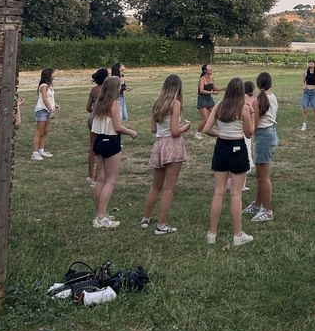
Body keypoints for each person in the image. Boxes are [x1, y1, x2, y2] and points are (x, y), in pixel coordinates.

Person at [203, 78, 255, 247]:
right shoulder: (245, 109)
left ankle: (212, 233)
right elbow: (249, 133)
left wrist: (220, 134)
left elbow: (206, 129)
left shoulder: (218, 106)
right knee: (236, 194)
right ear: (241, 92)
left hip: (221, 148)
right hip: (238, 148)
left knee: (218, 192)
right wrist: (252, 118)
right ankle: (237, 235)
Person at [140, 74, 190, 235]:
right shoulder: (175, 104)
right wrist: (186, 126)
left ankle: (145, 218)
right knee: (168, 188)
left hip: (159, 144)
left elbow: (153, 129)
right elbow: (175, 131)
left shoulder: (157, 102)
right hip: (173, 146)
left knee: (156, 186)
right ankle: (162, 225)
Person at [91, 76, 138, 228]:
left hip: (98, 141)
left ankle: (98, 213)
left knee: (100, 179)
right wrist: (131, 132)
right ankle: (102, 216)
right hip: (111, 142)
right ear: (115, 88)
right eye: (119, 86)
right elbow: (118, 127)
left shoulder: (99, 103)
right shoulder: (114, 104)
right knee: (111, 180)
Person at [243, 72, 278, 223]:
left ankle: (267, 210)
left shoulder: (257, 101)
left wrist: (245, 129)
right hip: (268, 135)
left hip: (264, 137)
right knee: (259, 175)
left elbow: (254, 125)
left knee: (264, 177)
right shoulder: (273, 97)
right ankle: (257, 205)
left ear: (258, 85)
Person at [85, 68, 109, 187]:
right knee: (101, 149)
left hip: (92, 118)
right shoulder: (105, 91)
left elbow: (88, 107)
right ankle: (98, 178)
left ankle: (90, 175)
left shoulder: (93, 90)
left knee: (92, 148)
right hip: (101, 120)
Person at [32, 67, 59, 161]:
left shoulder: (49, 86)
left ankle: (41, 150)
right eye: (53, 74)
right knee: (39, 132)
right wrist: (51, 109)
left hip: (48, 111)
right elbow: (44, 99)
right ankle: (35, 153)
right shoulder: (43, 85)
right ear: (48, 75)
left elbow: (50, 98)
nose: (54, 75)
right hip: (42, 111)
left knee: (45, 131)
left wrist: (55, 105)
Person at [195, 64, 223, 139]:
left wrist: (224, 89)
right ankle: (197, 133)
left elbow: (214, 88)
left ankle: (221, 130)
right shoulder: (202, 79)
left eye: (211, 68)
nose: (211, 69)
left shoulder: (211, 78)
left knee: (217, 114)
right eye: (209, 68)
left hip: (209, 99)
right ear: (205, 71)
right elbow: (201, 90)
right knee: (205, 119)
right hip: (202, 99)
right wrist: (212, 92)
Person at [300, 60, 315, 131]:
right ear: (308, 65)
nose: (311, 65)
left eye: (312, 64)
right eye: (310, 64)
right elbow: (303, 81)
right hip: (306, 92)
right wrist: (303, 86)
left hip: (314, 93)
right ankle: (304, 125)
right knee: (305, 109)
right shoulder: (305, 73)